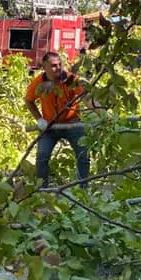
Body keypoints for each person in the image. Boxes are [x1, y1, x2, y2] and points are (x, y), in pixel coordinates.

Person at [24, 51, 90, 188]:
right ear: (45, 67)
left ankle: (84, 189)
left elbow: (86, 98)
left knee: (83, 155)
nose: (58, 68)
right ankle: (41, 190)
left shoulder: (70, 79)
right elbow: (29, 100)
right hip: (49, 127)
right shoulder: (39, 82)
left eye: (60, 64)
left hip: (73, 123)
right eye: (54, 66)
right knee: (42, 156)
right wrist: (39, 119)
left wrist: (101, 112)